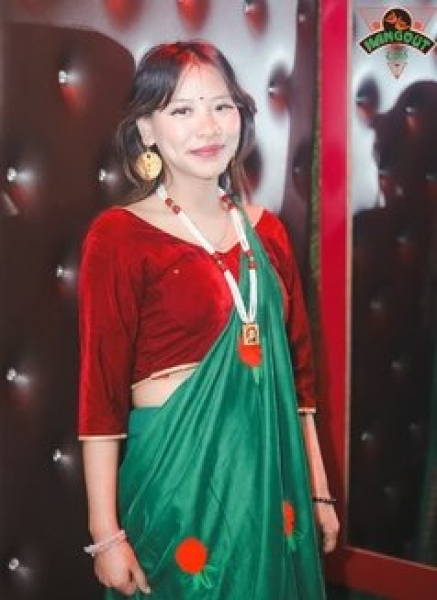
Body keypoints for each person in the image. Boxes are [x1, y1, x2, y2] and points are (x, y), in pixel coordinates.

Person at [78, 40, 339, 599]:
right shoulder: (119, 237)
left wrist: (317, 490)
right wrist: (105, 534)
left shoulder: (268, 232)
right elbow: (100, 393)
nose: (209, 127)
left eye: (222, 106)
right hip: (175, 483)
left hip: (270, 482)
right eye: (182, 110)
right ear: (146, 129)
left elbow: (299, 382)